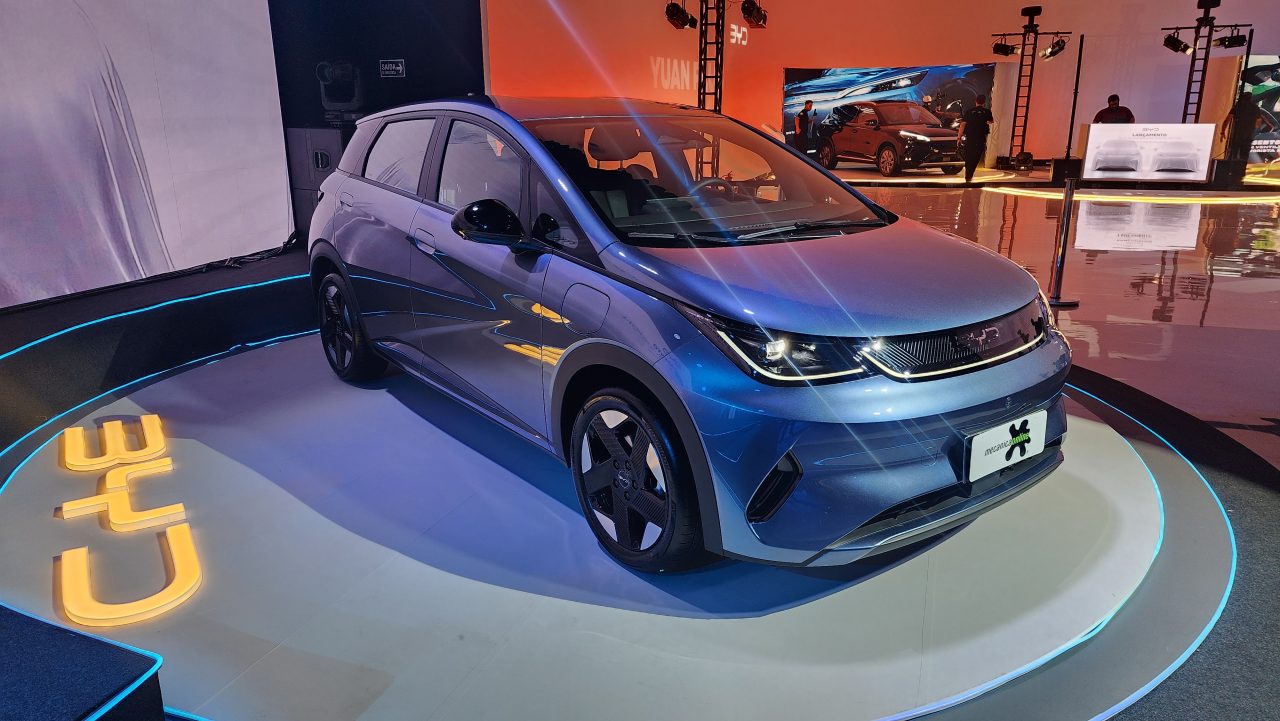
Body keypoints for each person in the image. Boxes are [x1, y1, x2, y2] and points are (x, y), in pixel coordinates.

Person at [956, 95, 993, 183]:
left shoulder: (969, 111)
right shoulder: (987, 112)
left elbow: (962, 124)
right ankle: (970, 173)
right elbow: (991, 121)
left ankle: (968, 174)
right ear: (984, 102)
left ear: (976, 101)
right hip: (981, 138)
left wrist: (959, 137)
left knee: (969, 155)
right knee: (977, 156)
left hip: (970, 137)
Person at [1221, 91, 1261, 162]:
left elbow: (1227, 120)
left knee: (1233, 154)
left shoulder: (1238, 106)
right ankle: (1241, 168)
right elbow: (1258, 123)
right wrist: (1254, 131)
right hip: (1248, 135)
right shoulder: (1256, 108)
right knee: (1244, 156)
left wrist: (1223, 131)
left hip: (1237, 134)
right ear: (1251, 98)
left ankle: (1231, 167)